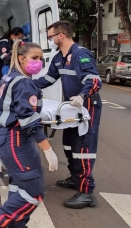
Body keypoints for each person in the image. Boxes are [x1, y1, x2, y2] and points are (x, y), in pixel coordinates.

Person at [0, 40, 58, 228]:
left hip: (4, 135)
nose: (38, 62)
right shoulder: (23, 83)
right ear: (22, 58)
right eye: (35, 58)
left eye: (41, 59)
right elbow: (29, 120)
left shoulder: (9, 78)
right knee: (34, 189)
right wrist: (48, 149)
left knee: (19, 184)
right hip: (14, 138)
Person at [34, 20, 102, 209]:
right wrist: (27, 85)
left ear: (61, 35)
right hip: (71, 108)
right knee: (69, 144)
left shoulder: (81, 55)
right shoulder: (59, 58)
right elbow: (48, 79)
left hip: (87, 105)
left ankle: (87, 192)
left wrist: (81, 96)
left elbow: (94, 80)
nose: (50, 40)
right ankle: (75, 177)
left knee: (84, 147)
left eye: (51, 37)